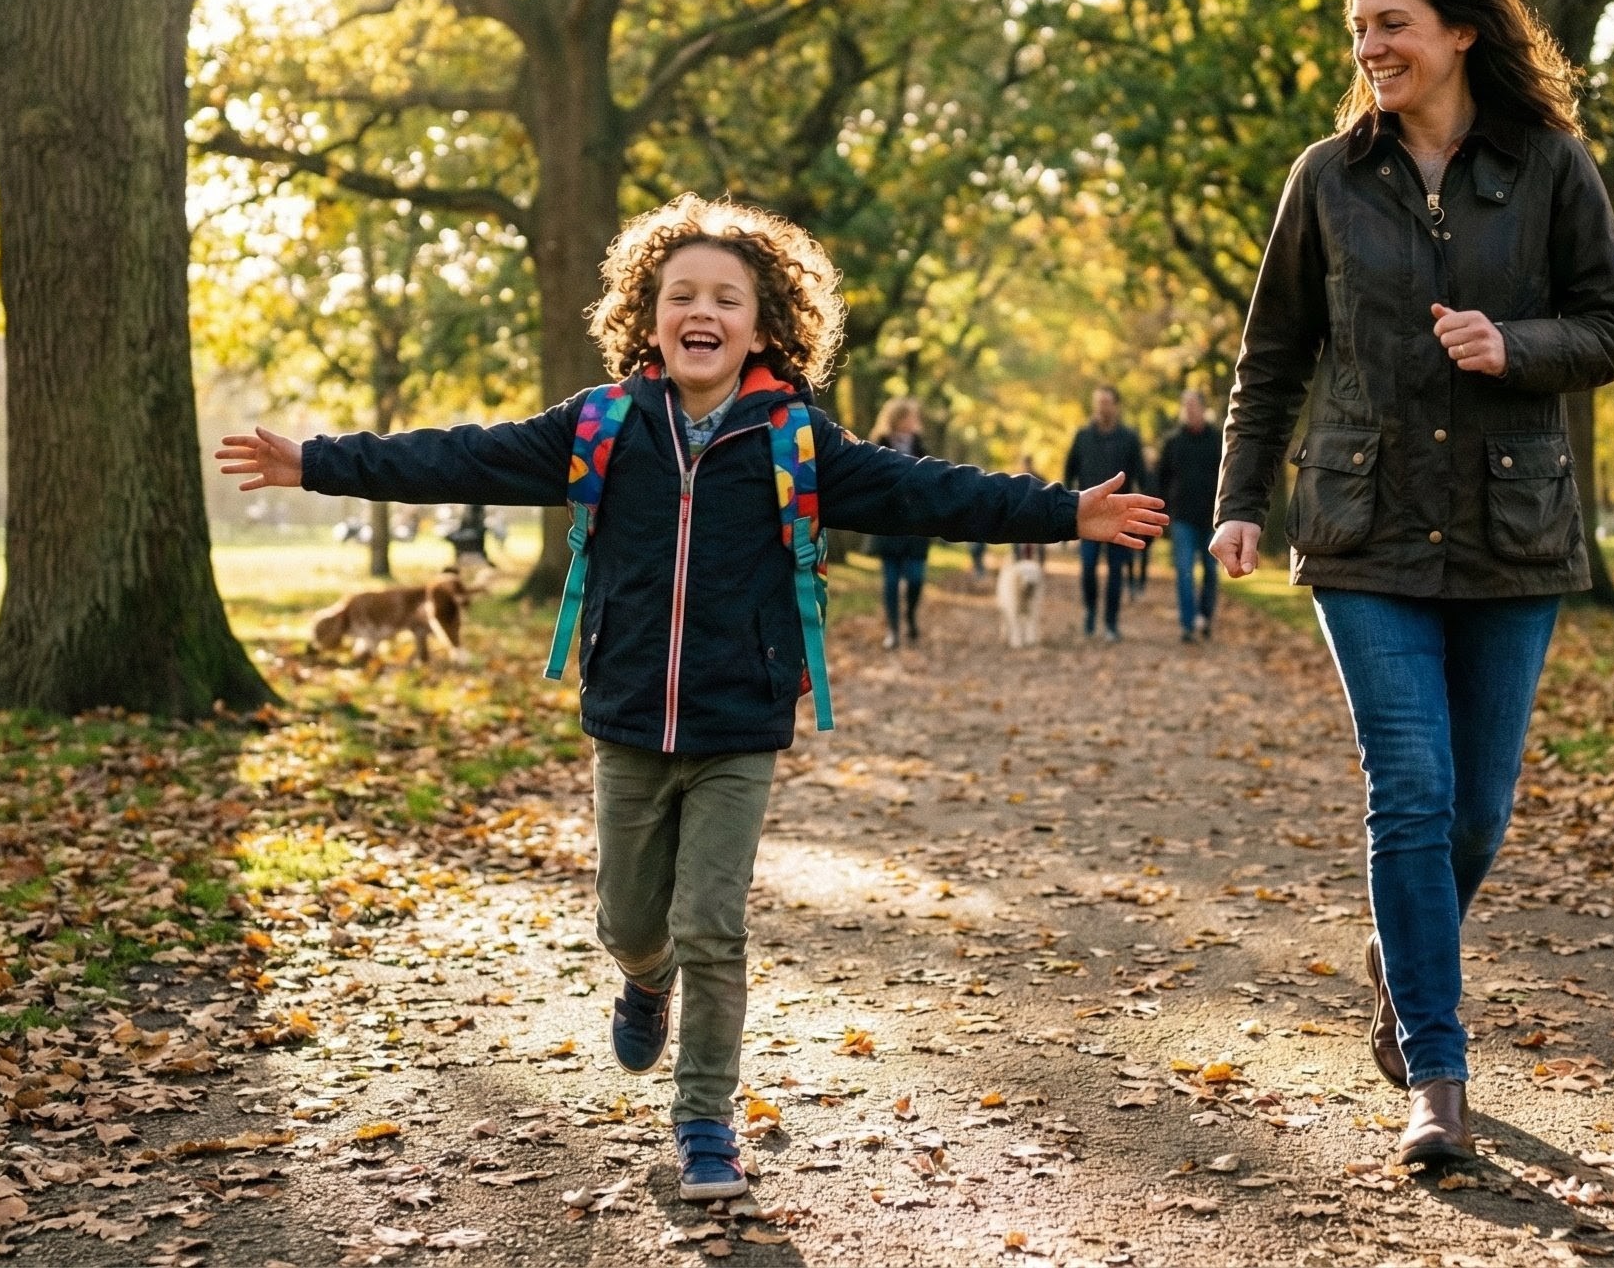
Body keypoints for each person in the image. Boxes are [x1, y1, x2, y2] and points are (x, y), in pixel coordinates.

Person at [214, 195, 1164, 1204]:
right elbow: (459, 453)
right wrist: (315, 461)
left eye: (726, 297)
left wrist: (1062, 510)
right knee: (631, 921)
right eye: (681, 295)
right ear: (649, 313)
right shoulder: (601, 425)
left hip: (736, 722)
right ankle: (643, 974)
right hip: (625, 713)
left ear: (764, 324)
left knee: (714, 923)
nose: (700, 311)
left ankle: (705, 1123)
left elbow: (924, 491)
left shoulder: (795, 437)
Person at [1211, 0, 1614, 1167]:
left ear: (1460, 28)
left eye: (1391, 21)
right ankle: (1436, 1073)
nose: (1370, 46)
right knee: (1409, 788)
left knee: (1475, 812)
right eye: (1358, 27)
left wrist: (1519, 348)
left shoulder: (1553, 168)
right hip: (1363, 526)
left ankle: (1402, 949)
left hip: (1514, 528)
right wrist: (1242, 499)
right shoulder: (1327, 176)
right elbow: (1273, 353)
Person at [1063, 386, 1149, 641]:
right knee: (1088, 567)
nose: (1101, 407)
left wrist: (1146, 505)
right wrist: (1066, 506)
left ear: (1116, 406)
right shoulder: (1082, 436)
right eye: (1098, 402)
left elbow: (1142, 475)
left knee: (1116, 570)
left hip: (1119, 514)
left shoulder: (1129, 438)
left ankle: (1111, 623)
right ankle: (1090, 611)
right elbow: (1070, 472)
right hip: (1088, 512)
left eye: (1106, 403)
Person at [1155, 389, 1224, 641]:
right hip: (1182, 516)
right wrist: (1163, 513)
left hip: (1212, 518)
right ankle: (1187, 624)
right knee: (1184, 571)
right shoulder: (1173, 442)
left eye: (1193, 405)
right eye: (1185, 406)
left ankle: (1204, 616)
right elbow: (1161, 479)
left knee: (1210, 571)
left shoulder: (1218, 440)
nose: (1189, 410)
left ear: (1203, 408)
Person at [867, 397, 934, 649]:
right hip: (887, 524)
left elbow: (932, 481)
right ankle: (893, 630)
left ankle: (910, 618)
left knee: (916, 578)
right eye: (909, 417)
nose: (914, 422)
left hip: (916, 525)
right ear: (897, 419)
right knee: (891, 580)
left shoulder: (921, 447)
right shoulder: (877, 445)